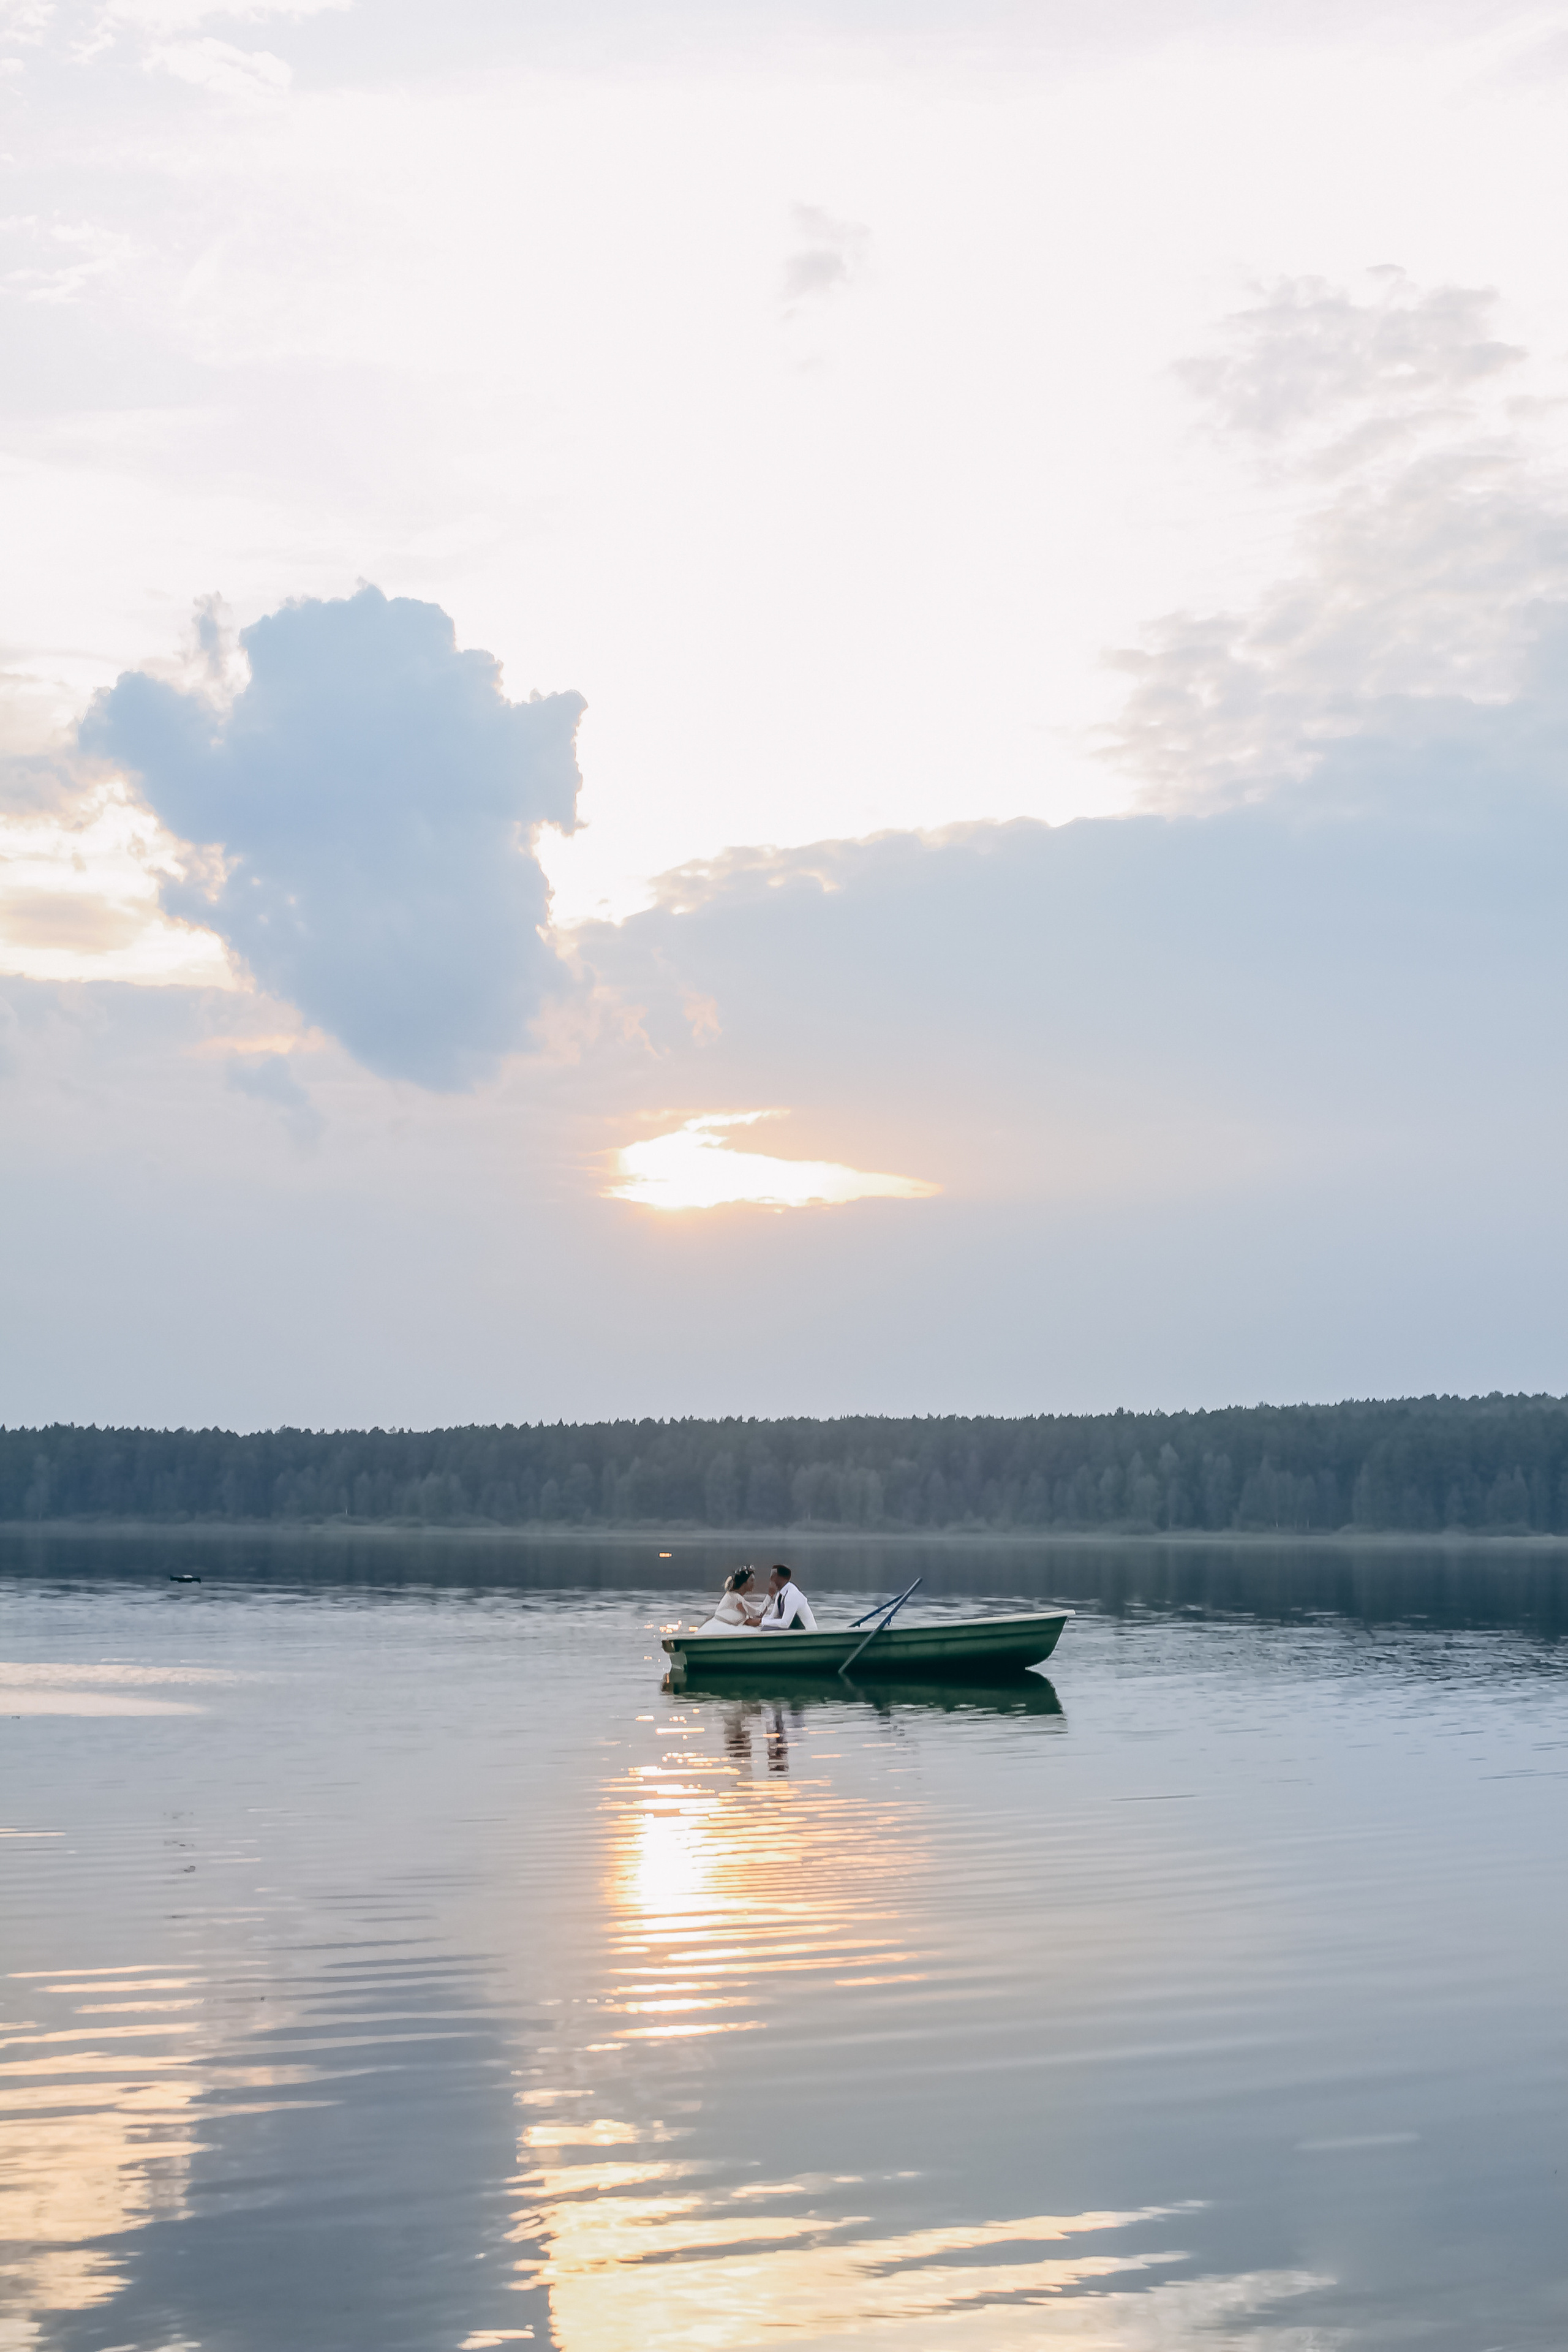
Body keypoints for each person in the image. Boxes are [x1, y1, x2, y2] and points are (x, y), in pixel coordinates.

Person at [695, 1566, 763, 1637]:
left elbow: (750, 1618)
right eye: (751, 1581)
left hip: (718, 1626)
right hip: (721, 1628)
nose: (754, 1584)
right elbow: (758, 1613)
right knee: (754, 1632)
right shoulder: (736, 1598)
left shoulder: (732, 1596)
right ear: (744, 1583)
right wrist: (769, 1597)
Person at [759, 1564, 816, 1632]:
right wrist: (758, 1622)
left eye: (773, 1576)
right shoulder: (780, 1594)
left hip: (807, 1633)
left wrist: (761, 1621)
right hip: (794, 1630)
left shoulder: (792, 1595)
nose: (770, 1579)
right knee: (762, 1628)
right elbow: (773, 1616)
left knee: (765, 1630)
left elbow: (785, 1623)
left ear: (781, 1578)